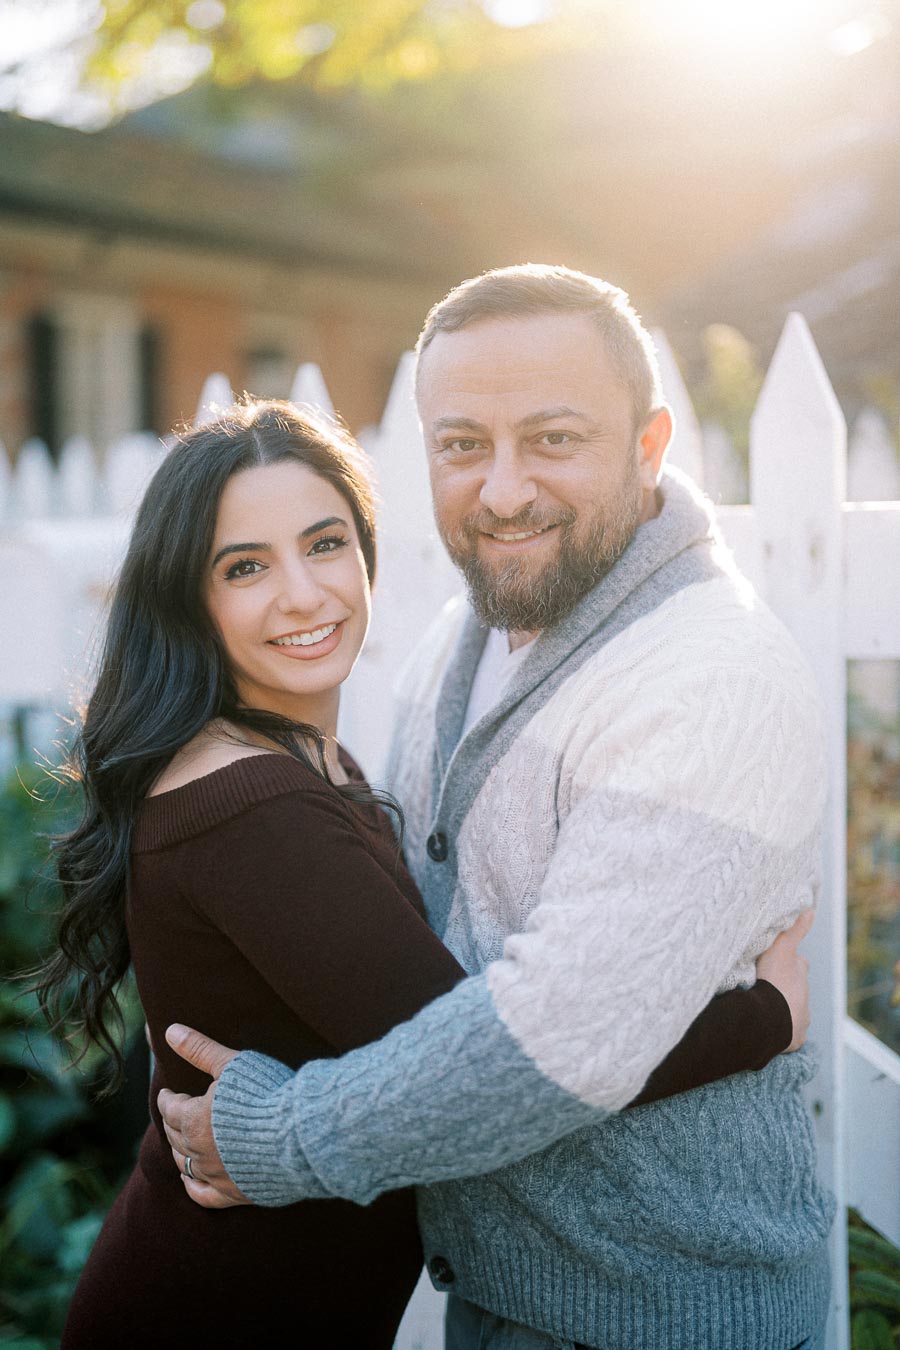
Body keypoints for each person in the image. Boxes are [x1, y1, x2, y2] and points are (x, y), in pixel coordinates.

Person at [36, 397, 804, 1350]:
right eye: (245, 567)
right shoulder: (248, 804)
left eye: (325, 544)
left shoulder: (295, 758)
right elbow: (490, 1067)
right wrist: (762, 1016)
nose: (305, 594)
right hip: (215, 1313)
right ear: (188, 598)